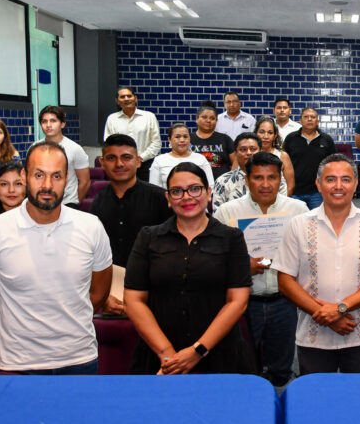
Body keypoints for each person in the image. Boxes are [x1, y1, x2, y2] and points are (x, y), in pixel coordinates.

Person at [0, 142, 113, 374]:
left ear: (67, 179)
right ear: (25, 175)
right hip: (19, 362)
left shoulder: (91, 227)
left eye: (56, 176)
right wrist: (17, 331)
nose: (47, 185)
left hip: (79, 358)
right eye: (39, 175)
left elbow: (99, 293)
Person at [124, 163, 256, 375]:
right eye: (177, 191)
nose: (186, 197)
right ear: (168, 198)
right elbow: (133, 300)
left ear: (208, 192)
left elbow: (237, 302)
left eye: (195, 189)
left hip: (218, 355)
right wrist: (169, 357)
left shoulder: (231, 238)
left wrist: (197, 351)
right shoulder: (149, 237)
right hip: (161, 358)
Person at [273, 154, 360, 374]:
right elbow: (284, 280)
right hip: (313, 336)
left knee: (359, 400)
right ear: (318, 184)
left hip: (359, 333)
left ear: (356, 183)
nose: (338, 186)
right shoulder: (298, 225)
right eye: (330, 179)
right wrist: (326, 315)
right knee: (316, 401)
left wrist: (341, 308)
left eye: (346, 179)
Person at [213, 152, 309, 386]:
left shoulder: (298, 210)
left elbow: (312, 255)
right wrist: (242, 266)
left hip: (284, 302)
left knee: (281, 369)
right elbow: (212, 258)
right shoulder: (227, 212)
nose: (265, 184)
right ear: (247, 180)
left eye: (272, 178)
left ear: (280, 180)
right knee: (244, 369)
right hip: (244, 304)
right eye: (258, 178)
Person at [90, 134, 172, 314]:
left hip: (157, 296)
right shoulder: (97, 203)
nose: (119, 164)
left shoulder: (161, 199)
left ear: (139, 161)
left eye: (126, 157)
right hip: (112, 296)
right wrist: (104, 297)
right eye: (111, 158)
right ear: (102, 163)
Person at [212, 132, 287, 209]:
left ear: (260, 151)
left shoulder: (274, 176)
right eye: (243, 149)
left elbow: (283, 207)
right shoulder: (223, 181)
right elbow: (218, 216)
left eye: (253, 149)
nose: (248, 153)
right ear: (236, 153)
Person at [35, 106, 90, 206]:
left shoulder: (75, 149)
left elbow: (85, 181)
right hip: (42, 203)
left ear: (62, 124)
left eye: (53, 121)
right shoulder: (35, 147)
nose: (48, 125)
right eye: (44, 121)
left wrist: (75, 203)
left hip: (67, 203)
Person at [104, 87, 162, 181]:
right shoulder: (112, 119)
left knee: (145, 194)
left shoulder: (149, 117)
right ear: (117, 101)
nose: (126, 99)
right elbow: (109, 143)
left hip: (145, 165)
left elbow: (156, 143)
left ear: (135, 98)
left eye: (129, 96)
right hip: (121, 166)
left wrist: (140, 159)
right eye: (122, 97)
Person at [284, 108, 336, 209]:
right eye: (306, 117)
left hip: (317, 192)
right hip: (295, 191)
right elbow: (284, 163)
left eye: (312, 117)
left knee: (318, 222)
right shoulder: (291, 138)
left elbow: (333, 164)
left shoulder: (326, 139)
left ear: (318, 121)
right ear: (300, 121)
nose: (309, 119)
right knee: (295, 221)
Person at [149, 123, 215, 188]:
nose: (182, 140)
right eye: (177, 137)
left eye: (185, 136)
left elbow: (210, 186)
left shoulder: (201, 159)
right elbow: (154, 189)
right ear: (169, 140)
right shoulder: (159, 160)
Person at [190, 101, 236, 179]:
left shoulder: (225, 139)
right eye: (204, 117)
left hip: (222, 186)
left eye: (212, 118)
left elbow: (236, 162)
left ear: (216, 121)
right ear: (196, 119)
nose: (208, 121)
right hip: (194, 185)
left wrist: (232, 179)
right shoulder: (188, 139)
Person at [255, 116, 296, 195]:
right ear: (256, 133)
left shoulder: (283, 156)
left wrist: (280, 203)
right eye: (262, 132)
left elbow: (290, 186)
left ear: (275, 135)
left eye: (270, 133)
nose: (266, 136)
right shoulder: (248, 154)